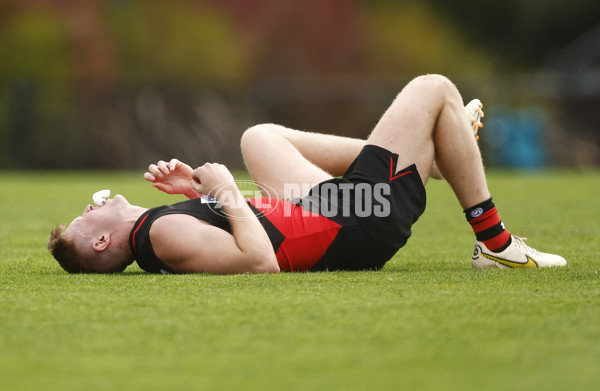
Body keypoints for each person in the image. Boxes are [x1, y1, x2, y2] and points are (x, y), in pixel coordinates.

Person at [47, 74, 566, 274]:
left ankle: (435, 153)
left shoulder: (160, 226)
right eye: (83, 218)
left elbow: (243, 225)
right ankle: (495, 245)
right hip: (354, 222)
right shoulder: (158, 233)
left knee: (257, 136)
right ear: (99, 244)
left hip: (318, 210)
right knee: (434, 89)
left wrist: (199, 193)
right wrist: (225, 190)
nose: (90, 207)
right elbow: (259, 262)